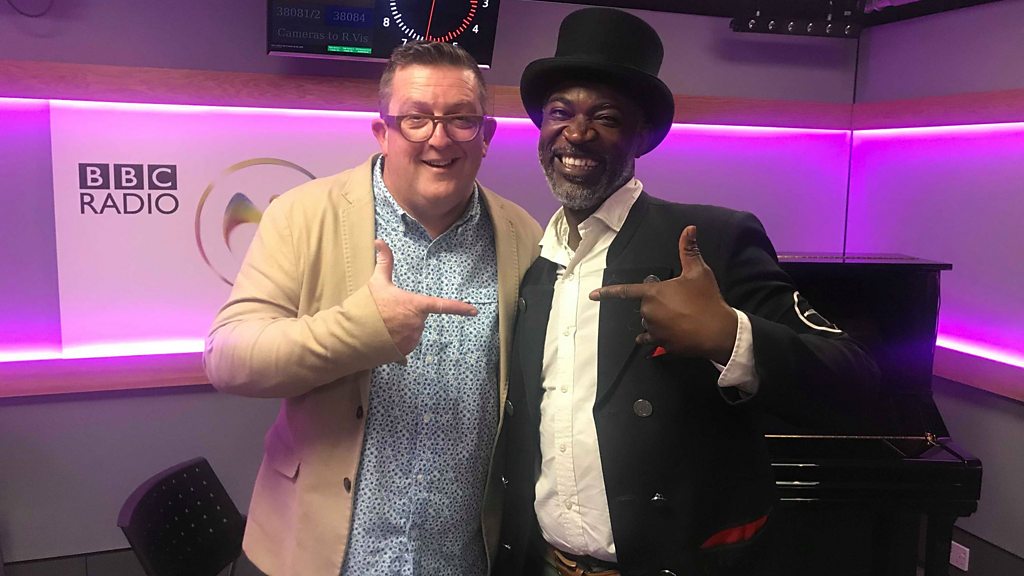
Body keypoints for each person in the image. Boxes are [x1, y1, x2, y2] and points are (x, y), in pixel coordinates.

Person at [495, 8, 880, 576]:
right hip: (547, 564)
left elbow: (856, 376)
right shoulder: (534, 264)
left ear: (641, 136)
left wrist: (731, 336)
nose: (576, 133)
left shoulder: (713, 241)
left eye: (605, 116)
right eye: (561, 112)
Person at [205, 41, 542, 576]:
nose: (438, 138)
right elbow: (227, 357)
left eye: (461, 119)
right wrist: (359, 330)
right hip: (320, 557)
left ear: (486, 135)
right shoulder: (302, 215)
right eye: (416, 119)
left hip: (456, 560)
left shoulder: (522, 234)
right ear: (383, 132)